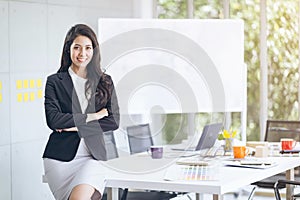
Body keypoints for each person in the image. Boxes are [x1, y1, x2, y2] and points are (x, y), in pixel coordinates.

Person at [42, 24, 120, 200]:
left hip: (94, 157)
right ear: (68, 49)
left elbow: (114, 121)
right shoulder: (55, 81)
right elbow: (53, 120)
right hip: (60, 159)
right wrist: (93, 116)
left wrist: (72, 125)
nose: (82, 53)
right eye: (76, 47)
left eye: (87, 48)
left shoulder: (105, 81)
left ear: (94, 50)